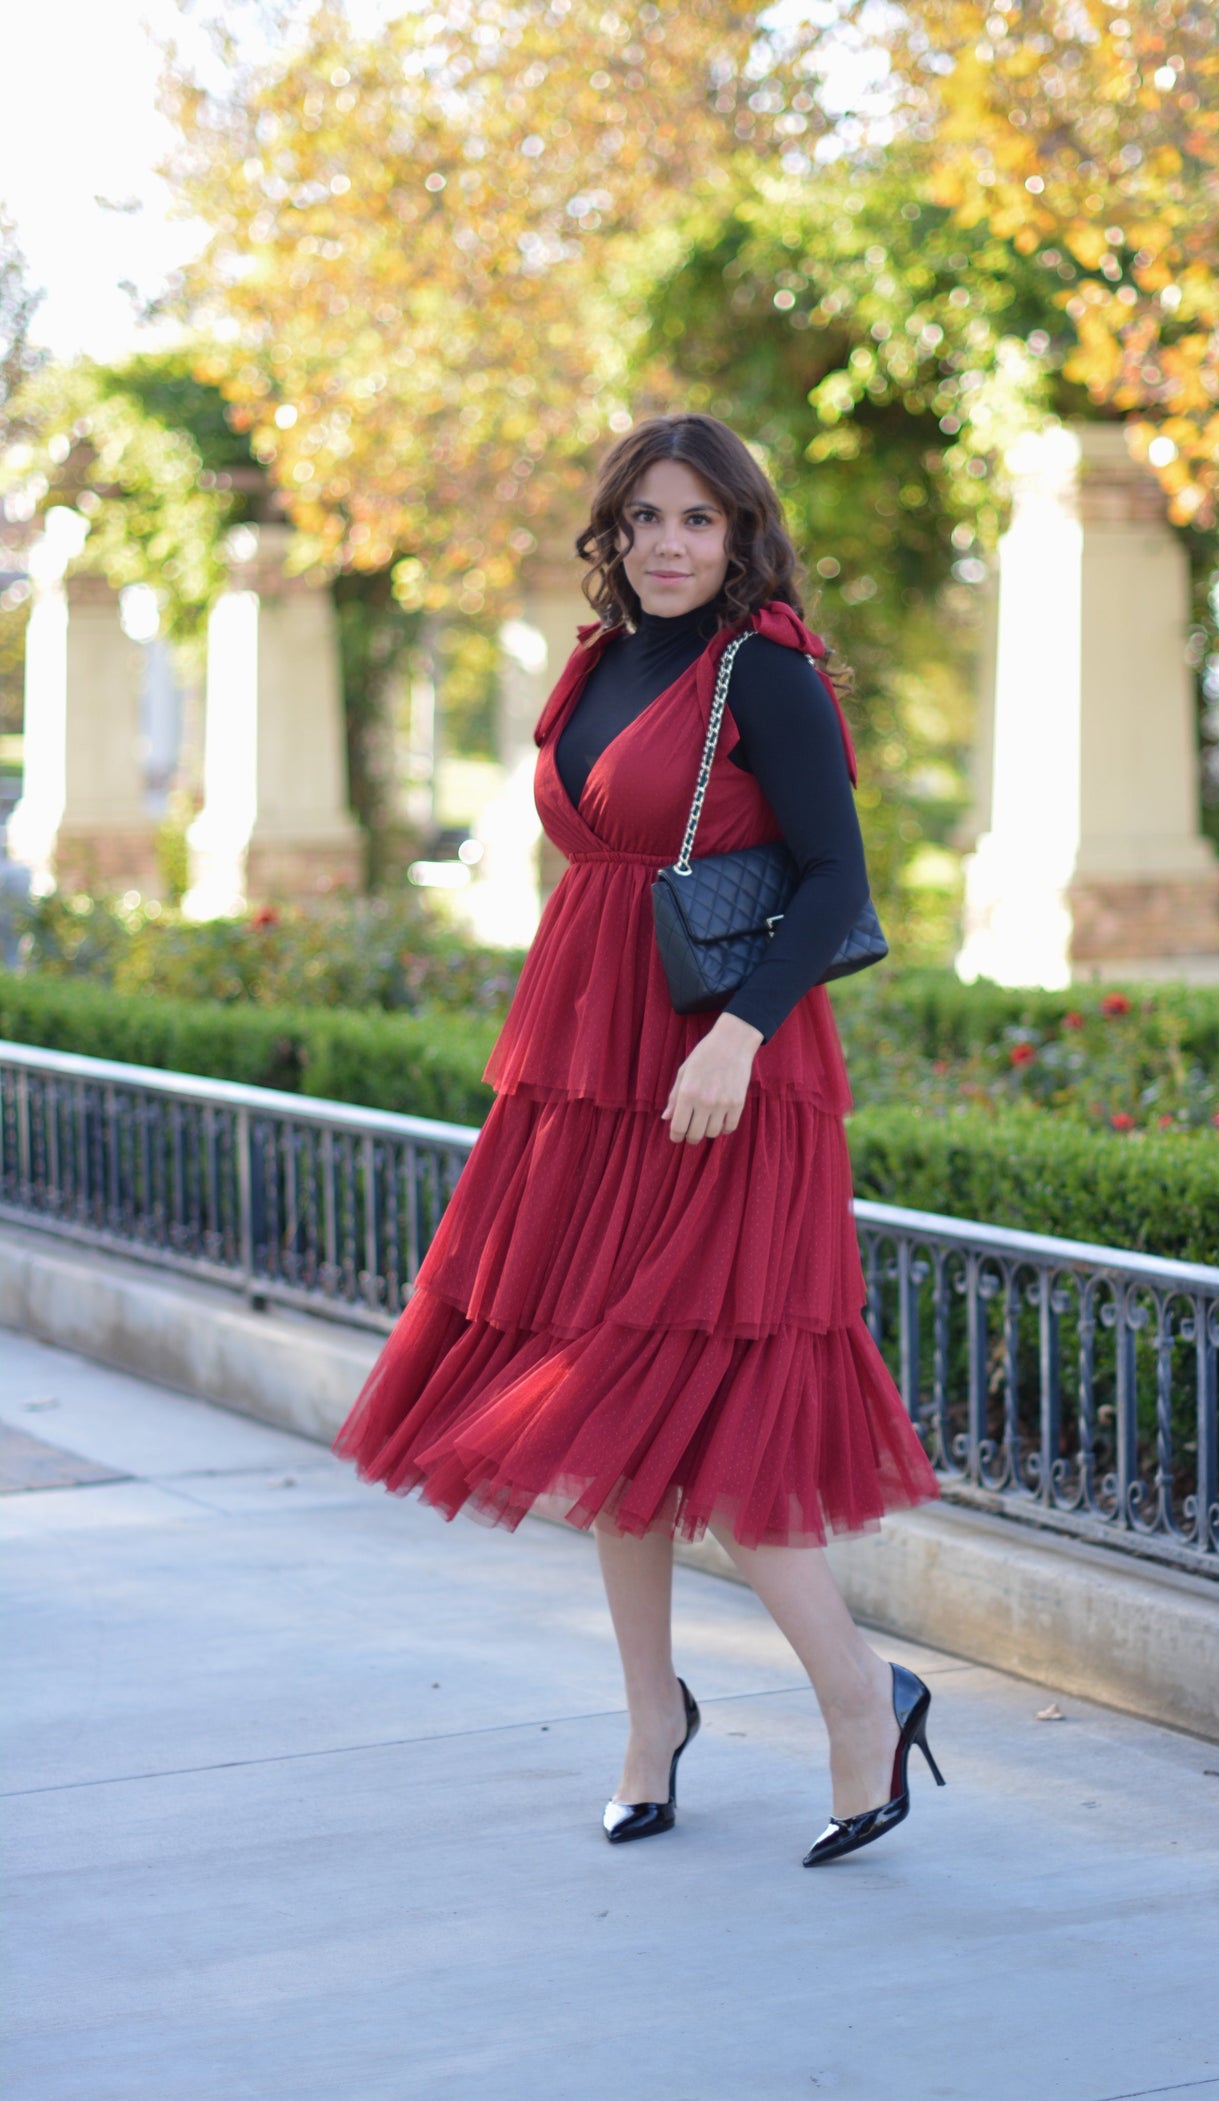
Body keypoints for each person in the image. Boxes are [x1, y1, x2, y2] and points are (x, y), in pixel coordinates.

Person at [333, 413, 944, 1867]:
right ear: (612, 533)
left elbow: (836, 880)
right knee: (602, 1395)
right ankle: (650, 1719)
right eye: (646, 518)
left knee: (696, 1397)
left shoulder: (768, 671)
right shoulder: (596, 663)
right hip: (592, 1067)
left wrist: (738, 1039)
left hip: (726, 1070)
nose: (669, 544)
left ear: (742, 535)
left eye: (698, 520)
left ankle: (862, 1699)